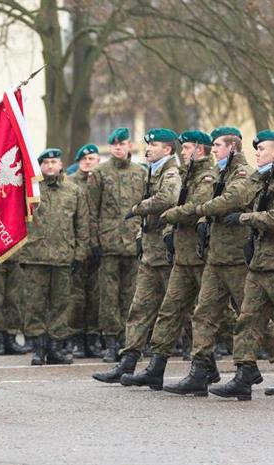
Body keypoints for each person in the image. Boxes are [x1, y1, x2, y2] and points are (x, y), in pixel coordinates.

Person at [163, 127, 274, 397]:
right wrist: (200, 218)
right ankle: (199, 372)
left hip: (235, 259)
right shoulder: (219, 172)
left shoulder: (244, 173)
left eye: (218, 145)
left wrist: (199, 210)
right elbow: (207, 199)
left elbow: (232, 199)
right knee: (204, 314)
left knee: (252, 316)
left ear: (232, 147)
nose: (214, 150)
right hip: (215, 257)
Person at [209, 130, 274, 401]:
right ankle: (244, 377)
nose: (257, 153)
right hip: (259, 263)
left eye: (262, 149)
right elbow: (242, 193)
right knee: (248, 320)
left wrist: (245, 218)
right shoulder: (262, 180)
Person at [119, 130, 215, 389]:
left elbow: (174, 202)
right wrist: (141, 234)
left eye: (154, 144)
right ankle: (145, 365)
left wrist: (144, 210)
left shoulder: (182, 174)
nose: (148, 148)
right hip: (167, 253)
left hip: (186, 254)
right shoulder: (167, 172)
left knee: (207, 313)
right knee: (162, 310)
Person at [93, 128, 181, 384]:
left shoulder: (171, 172)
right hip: (150, 253)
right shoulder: (152, 171)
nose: (149, 148)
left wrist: (138, 208)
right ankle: (128, 362)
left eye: (154, 145)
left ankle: (204, 364)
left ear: (167, 149)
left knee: (178, 310)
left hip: (167, 253)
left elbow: (168, 197)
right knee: (139, 308)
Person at [18, 148, 90, 365]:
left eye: (54, 162)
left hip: (63, 257)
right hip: (34, 256)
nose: (50, 166)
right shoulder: (30, 189)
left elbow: (82, 224)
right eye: (46, 163)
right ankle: (38, 349)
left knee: (61, 305)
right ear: (40, 166)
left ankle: (55, 348)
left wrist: (80, 254)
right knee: (34, 304)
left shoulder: (73, 190)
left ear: (61, 165)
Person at [88, 128, 146, 362]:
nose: (118, 148)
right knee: (108, 296)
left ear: (129, 145)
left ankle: (129, 342)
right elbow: (92, 210)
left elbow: (146, 207)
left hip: (133, 241)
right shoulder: (100, 173)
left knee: (132, 295)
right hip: (109, 242)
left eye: (122, 144)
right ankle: (111, 342)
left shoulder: (141, 172)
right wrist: (94, 241)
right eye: (114, 145)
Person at [68, 143, 103, 357]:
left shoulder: (103, 180)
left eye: (91, 159)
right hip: (78, 247)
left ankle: (93, 338)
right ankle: (77, 338)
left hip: (100, 245)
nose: (87, 162)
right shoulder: (71, 183)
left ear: (98, 161)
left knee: (96, 296)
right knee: (77, 297)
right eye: (84, 159)